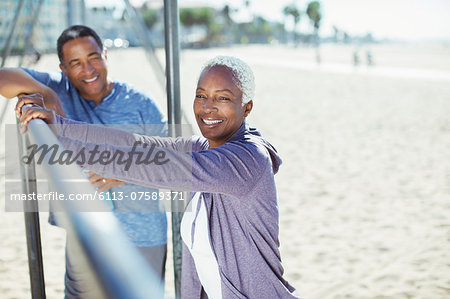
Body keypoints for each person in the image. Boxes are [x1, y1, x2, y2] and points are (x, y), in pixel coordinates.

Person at [18, 56, 300, 298]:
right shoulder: (203, 146)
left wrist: (64, 147)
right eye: (201, 95)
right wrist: (61, 126)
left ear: (246, 107)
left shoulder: (247, 160)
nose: (207, 107)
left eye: (223, 98)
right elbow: (137, 144)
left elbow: (159, 167)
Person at [0, 25, 168, 298]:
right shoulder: (58, 89)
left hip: (142, 234)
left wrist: (123, 174)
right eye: (75, 63)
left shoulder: (140, 103)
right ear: (63, 68)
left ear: (105, 55)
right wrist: (48, 94)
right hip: (86, 236)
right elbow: (3, 78)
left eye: (93, 57)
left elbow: (172, 159)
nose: (88, 70)